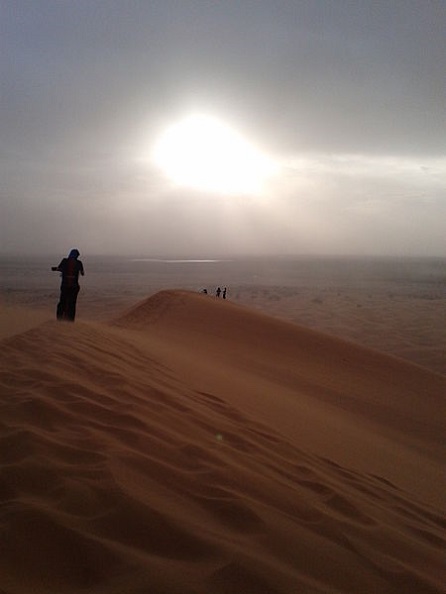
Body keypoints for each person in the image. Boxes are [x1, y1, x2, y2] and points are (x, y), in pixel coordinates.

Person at [52, 249, 85, 321]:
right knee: (72, 304)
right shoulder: (79, 263)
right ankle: (71, 321)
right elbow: (82, 273)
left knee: (62, 302)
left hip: (65, 286)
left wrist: (56, 269)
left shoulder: (65, 261)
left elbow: (59, 268)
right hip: (74, 286)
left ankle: (59, 319)